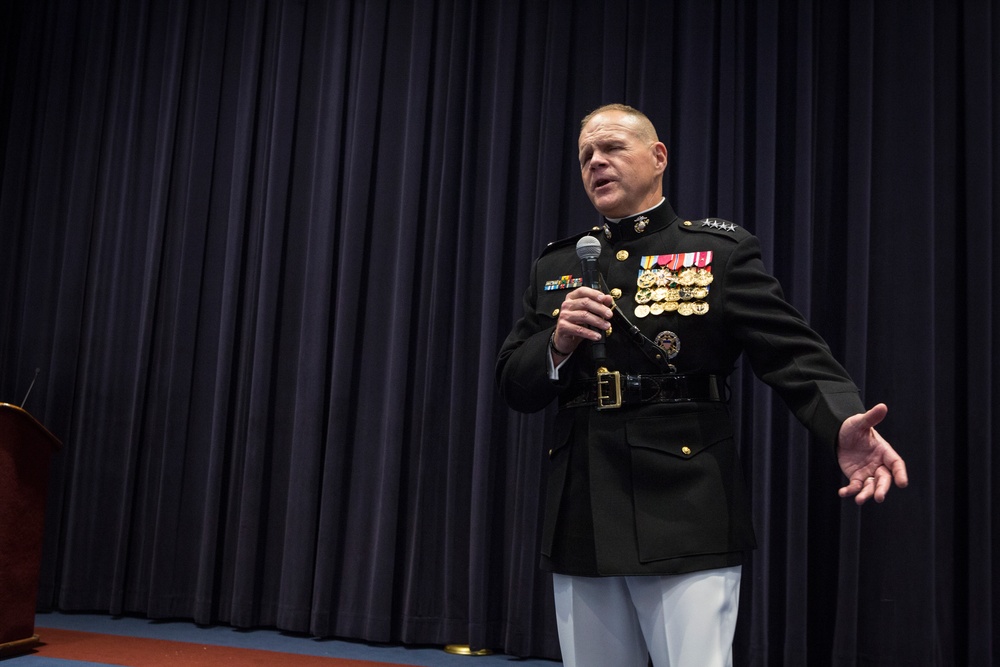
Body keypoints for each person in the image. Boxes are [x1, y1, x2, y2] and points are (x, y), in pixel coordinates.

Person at [495, 104, 908, 667]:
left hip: (683, 501)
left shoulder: (718, 253)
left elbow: (793, 354)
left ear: (657, 157)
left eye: (612, 147)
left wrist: (841, 423)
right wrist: (557, 344)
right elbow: (515, 386)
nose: (597, 162)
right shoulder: (559, 265)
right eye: (586, 155)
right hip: (583, 504)